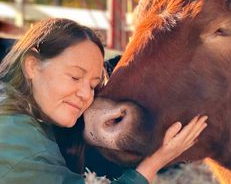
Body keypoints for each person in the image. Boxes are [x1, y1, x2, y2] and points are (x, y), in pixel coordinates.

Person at [0, 18, 208, 184]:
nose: (85, 95)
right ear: (32, 66)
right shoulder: (18, 145)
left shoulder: (18, 111)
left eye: (92, 85)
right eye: (74, 76)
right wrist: (155, 162)